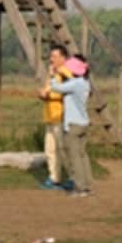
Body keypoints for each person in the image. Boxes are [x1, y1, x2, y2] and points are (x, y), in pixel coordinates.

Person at [51, 55, 93, 198]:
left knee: (74, 157)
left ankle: (79, 187)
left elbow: (56, 88)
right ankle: (87, 185)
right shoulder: (84, 83)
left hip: (73, 125)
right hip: (83, 123)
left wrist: (54, 74)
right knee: (82, 155)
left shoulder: (75, 84)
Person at [38, 45, 72, 190]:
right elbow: (48, 89)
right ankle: (54, 178)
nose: (51, 59)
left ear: (63, 58)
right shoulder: (51, 73)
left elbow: (66, 92)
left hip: (61, 115)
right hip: (49, 115)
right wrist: (42, 94)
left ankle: (72, 177)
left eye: (54, 56)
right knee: (50, 149)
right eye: (51, 56)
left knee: (63, 149)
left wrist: (49, 93)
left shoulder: (66, 73)